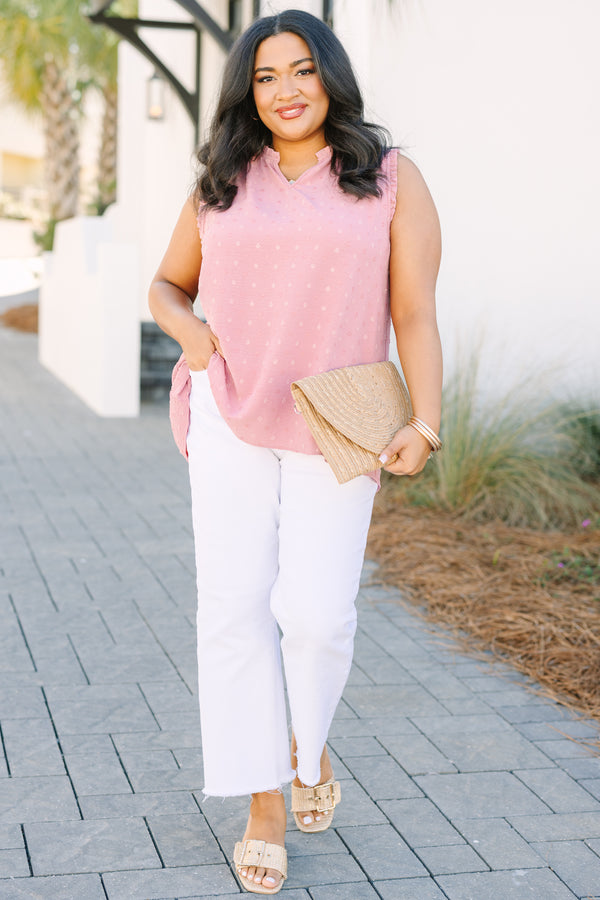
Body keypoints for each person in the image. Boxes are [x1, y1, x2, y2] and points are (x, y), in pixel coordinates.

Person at [149, 8, 442, 895]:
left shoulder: (390, 179)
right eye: (267, 75)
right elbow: (165, 284)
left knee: (316, 615)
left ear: (332, 78)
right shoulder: (224, 180)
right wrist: (190, 335)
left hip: (340, 422)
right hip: (231, 415)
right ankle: (264, 800)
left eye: (302, 70)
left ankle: (307, 747)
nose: (285, 90)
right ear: (249, 90)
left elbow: (416, 313)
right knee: (233, 613)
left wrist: (424, 423)